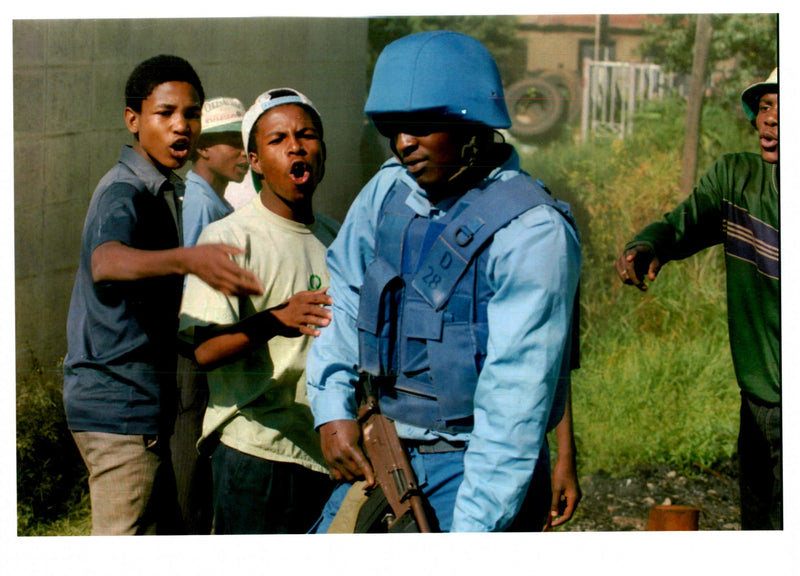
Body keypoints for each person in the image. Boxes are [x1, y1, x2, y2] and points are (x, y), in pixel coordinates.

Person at [306, 31, 582, 532]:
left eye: (422, 126)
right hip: (385, 448)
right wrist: (331, 406)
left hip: (482, 470)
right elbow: (344, 292)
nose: (403, 143)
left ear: (472, 125)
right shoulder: (389, 190)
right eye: (394, 127)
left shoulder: (533, 233)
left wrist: (472, 530)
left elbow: (514, 404)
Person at [62, 54, 263, 536]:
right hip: (118, 409)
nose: (182, 126)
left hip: (144, 405)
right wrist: (188, 259)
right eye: (165, 113)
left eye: (191, 114)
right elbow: (106, 262)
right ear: (133, 120)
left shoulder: (160, 190)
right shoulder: (124, 191)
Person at [615, 68, 779, 530]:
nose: (771, 120)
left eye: (786, 107)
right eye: (765, 106)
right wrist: (650, 245)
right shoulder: (738, 179)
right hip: (759, 400)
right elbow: (683, 222)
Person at [178, 88, 338, 534]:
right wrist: (275, 319)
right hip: (255, 455)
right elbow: (204, 350)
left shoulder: (337, 237)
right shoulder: (228, 238)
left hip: (322, 451)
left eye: (307, 135)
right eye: (277, 139)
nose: (295, 146)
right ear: (254, 161)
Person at [171, 96, 248, 534]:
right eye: (231, 142)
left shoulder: (218, 204)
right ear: (203, 147)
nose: (242, 153)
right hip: (194, 348)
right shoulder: (198, 204)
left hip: (213, 349)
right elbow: (189, 290)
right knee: (190, 470)